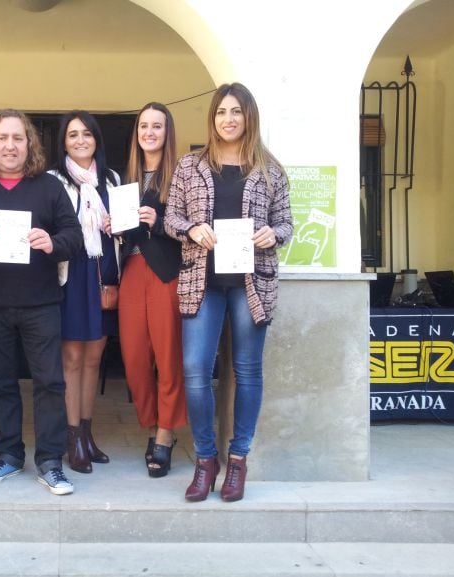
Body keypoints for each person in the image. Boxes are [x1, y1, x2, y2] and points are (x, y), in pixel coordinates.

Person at [164, 83, 293, 502]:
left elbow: (286, 224)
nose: (228, 119)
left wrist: (273, 233)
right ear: (213, 118)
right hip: (202, 282)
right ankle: (206, 459)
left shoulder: (270, 169)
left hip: (250, 284)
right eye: (221, 112)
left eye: (236, 112)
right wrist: (190, 228)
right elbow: (171, 218)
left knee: (247, 370)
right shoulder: (190, 165)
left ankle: (238, 460)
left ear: (249, 117)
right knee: (195, 370)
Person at [0, 109, 83, 495]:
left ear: (30, 144)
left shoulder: (49, 188)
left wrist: (52, 243)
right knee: (1, 384)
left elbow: (73, 236)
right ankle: (9, 455)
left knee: (50, 383)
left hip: (41, 303)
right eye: (2, 138)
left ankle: (50, 461)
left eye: (18, 138)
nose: (10, 145)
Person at [48, 111, 119, 474]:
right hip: (70, 274)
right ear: (63, 141)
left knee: (94, 358)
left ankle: (88, 434)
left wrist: (116, 225)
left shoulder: (112, 178)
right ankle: (71, 437)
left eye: (86, 134)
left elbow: (123, 229)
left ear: (96, 139)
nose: (80, 140)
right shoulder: (52, 180)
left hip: (103, 273)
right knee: (71, 359)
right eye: (72, 135)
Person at [118, 103, 186, 478]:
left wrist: (158, 223)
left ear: (166, 132)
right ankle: (151, 422)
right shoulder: (124, 176)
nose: (149, 132)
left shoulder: (181, 174)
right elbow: (126, 231)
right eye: (144, 126)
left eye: (157, 126)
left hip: (166, 273)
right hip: (131, 269)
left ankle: (165, 433)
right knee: (134, 360)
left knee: (168, 356)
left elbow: (191, 226)